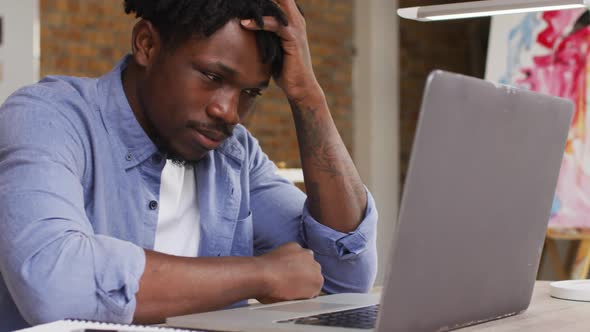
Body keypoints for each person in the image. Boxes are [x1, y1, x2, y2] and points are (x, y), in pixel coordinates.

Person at [0, 1, 378, 330]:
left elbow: (343, 277)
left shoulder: (235, 155)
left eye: (250, 93)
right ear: (147, 43)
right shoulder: (48, 118)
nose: (228, 112)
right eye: (213, 77)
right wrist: (261, 274)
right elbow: (53, 283)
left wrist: (307, 95)